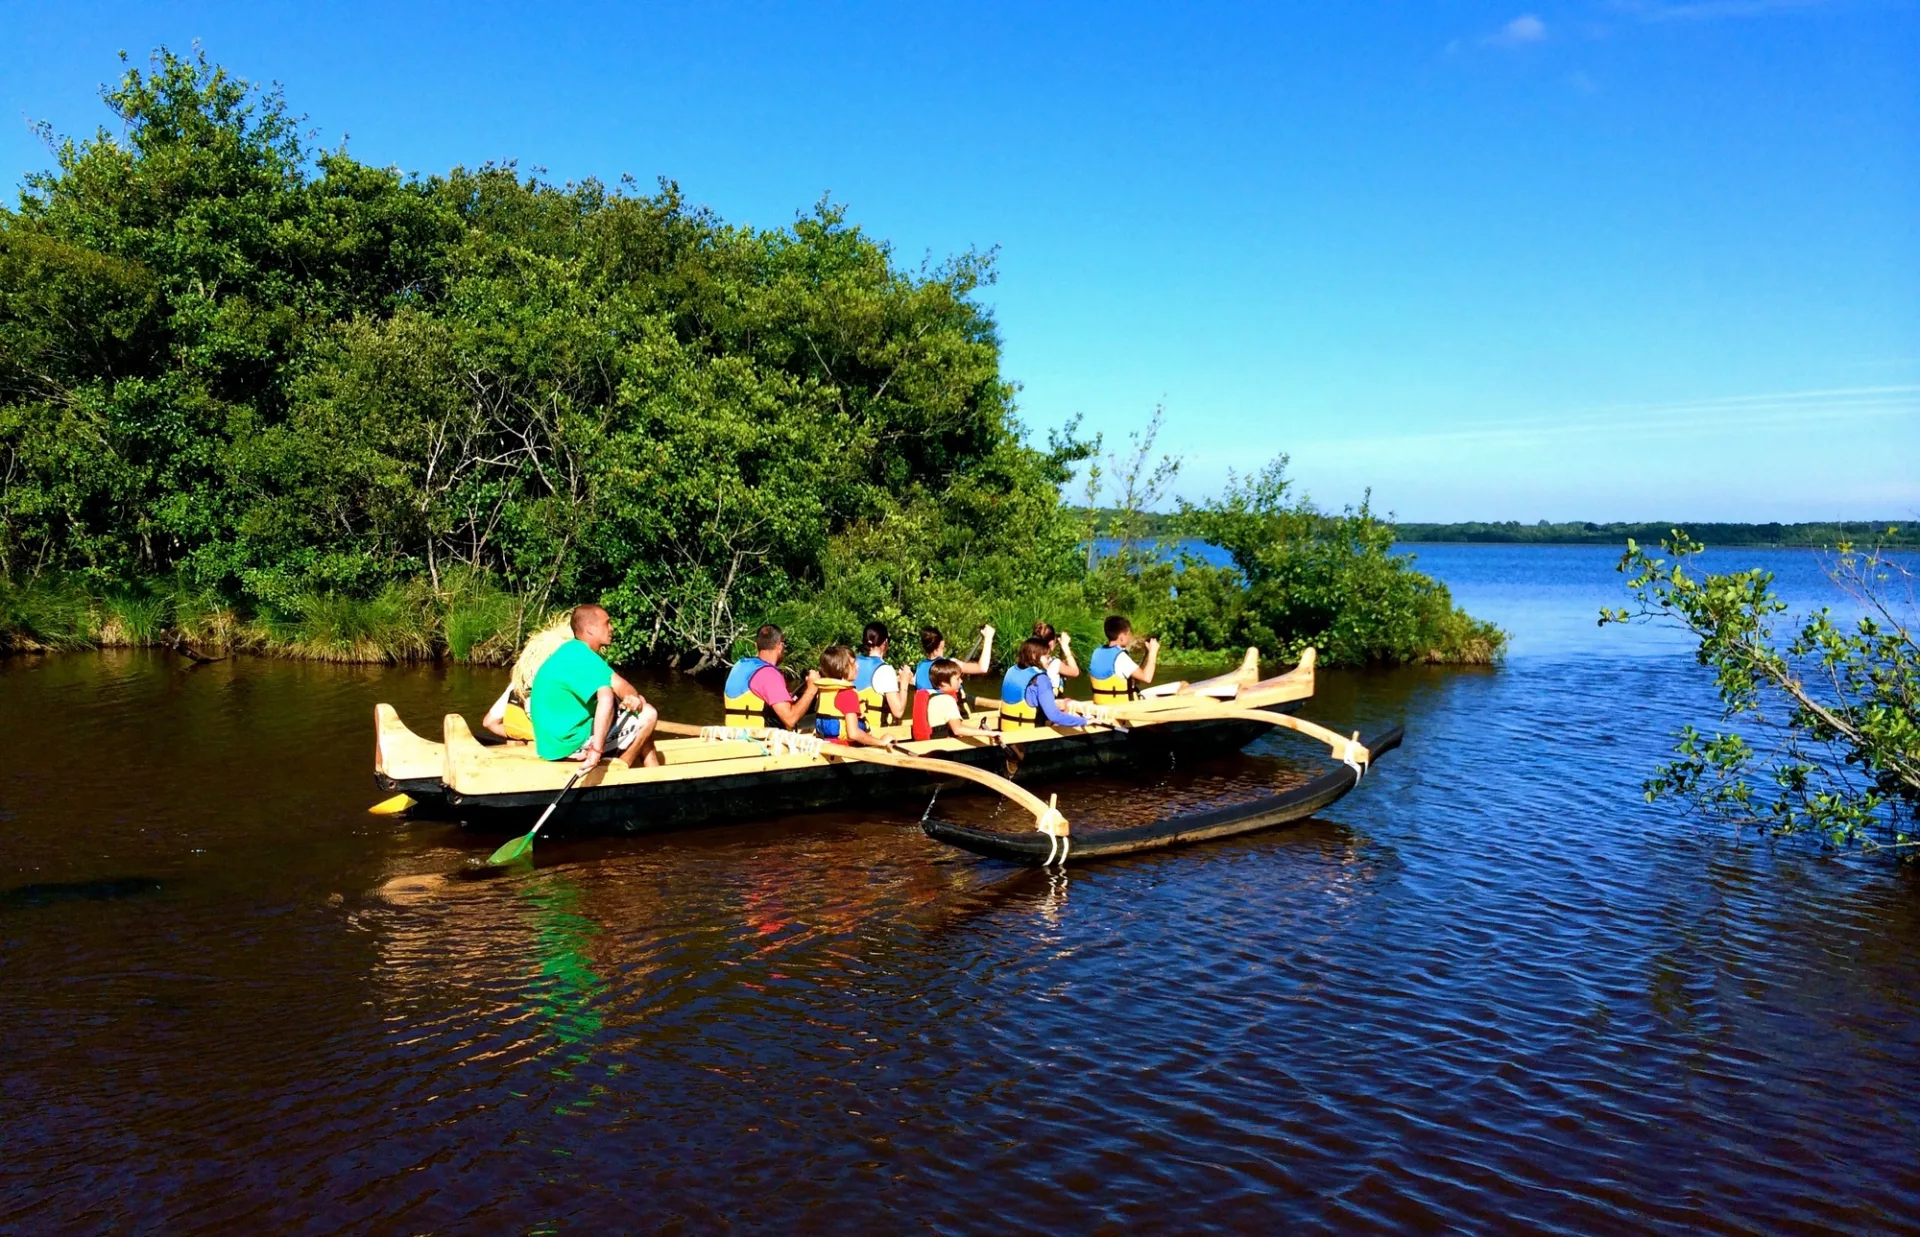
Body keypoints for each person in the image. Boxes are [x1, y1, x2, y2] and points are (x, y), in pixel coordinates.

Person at [528, 604, 661, 771]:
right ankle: (620, 770)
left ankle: (654, 772)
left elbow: (621, 684)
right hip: (568, 745)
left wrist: (631, 697)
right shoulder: (582, 657)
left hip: (552, 745)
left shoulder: (575, 651)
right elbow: (605, 697)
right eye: (607, 623)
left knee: (638, 709)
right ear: (590, 629)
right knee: (648, 715)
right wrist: (596, 750)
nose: (612, 628)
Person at [480, 614, 574, 741]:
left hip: (538, 740)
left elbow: (489, 723)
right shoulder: (573, 681)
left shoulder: (519, 684)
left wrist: (528, 737)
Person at [722, 624, 818, 729]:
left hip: (733, 736)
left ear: (756, 645)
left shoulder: (739, 665)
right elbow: (790, 719)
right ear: (780, 646)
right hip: (757, 740)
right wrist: (811, 689)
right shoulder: (769, 674)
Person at [1000, 637, 1093, 732]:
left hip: (1007, 731)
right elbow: (1054, 716)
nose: (1049, 660)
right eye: (1047, 657)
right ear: (1034, 655)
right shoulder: (1041, 679)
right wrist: (1085, 721)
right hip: (1029, 738)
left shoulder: (1011, 671)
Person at [813, 645, 898, 747]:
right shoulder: (848, 694)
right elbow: (853, 733)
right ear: (841, 668)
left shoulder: (825, 690)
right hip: (846, 750)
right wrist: (881, 742)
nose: (857, 666)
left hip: (827, 744)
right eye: (853, 663)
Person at [912, 658, 1000, 742]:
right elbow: (958, 729)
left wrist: (977, 730)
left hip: (931, 745)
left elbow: (955, 726)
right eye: (957, 679)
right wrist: (989, 733)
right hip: (941, 750)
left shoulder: (934, 697)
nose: (961, 681)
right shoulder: (947, 700)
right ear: (944, 683)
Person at [1088, 615, 1159, 705]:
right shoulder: (1120, 657)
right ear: (1122, 637)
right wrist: (1153, 652)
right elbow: (1147, 678)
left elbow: (1136, 678)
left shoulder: (1097, 652)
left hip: (1101, 705)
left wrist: (1147, 653)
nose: (1129, 637)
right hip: (1121, 709)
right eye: (1128, 634)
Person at [910, 624, 995, 696]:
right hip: (947, 712)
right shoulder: (950, 665)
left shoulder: (919, 667)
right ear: (942, 643)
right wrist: (988, 638)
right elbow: (983, 668)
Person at [853, 621, 909, 730]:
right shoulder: (885, 670)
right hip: (873, 732)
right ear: (885, 642)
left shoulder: (853, 663)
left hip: (851, 726)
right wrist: (904, 682)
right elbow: (898, 711)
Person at [1032, 620, 1080, 693]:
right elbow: (1075, 672)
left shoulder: (1030, 658)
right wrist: (1065, 647)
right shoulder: (1055, 664)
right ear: (1051, 642)